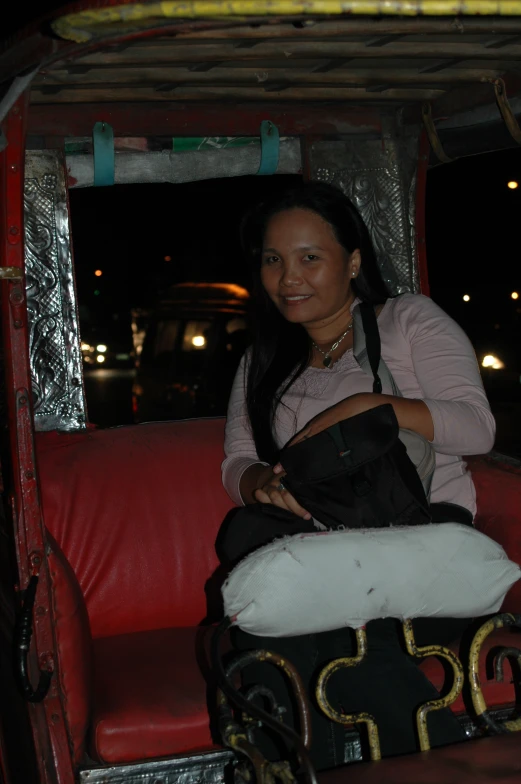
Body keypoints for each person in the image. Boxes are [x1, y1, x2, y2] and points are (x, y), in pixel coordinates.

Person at [220, 181, 496, 770]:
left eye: (309, 258)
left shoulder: (408, 322)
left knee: (317, 638)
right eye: (273, 260)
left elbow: (477, 428)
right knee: (259, 565)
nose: (288, 277)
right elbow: (236, 461)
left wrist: (371, 414)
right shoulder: (263, 357)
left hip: (422, 543)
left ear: (352, 261)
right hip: (321, 547)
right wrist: (257, 485)